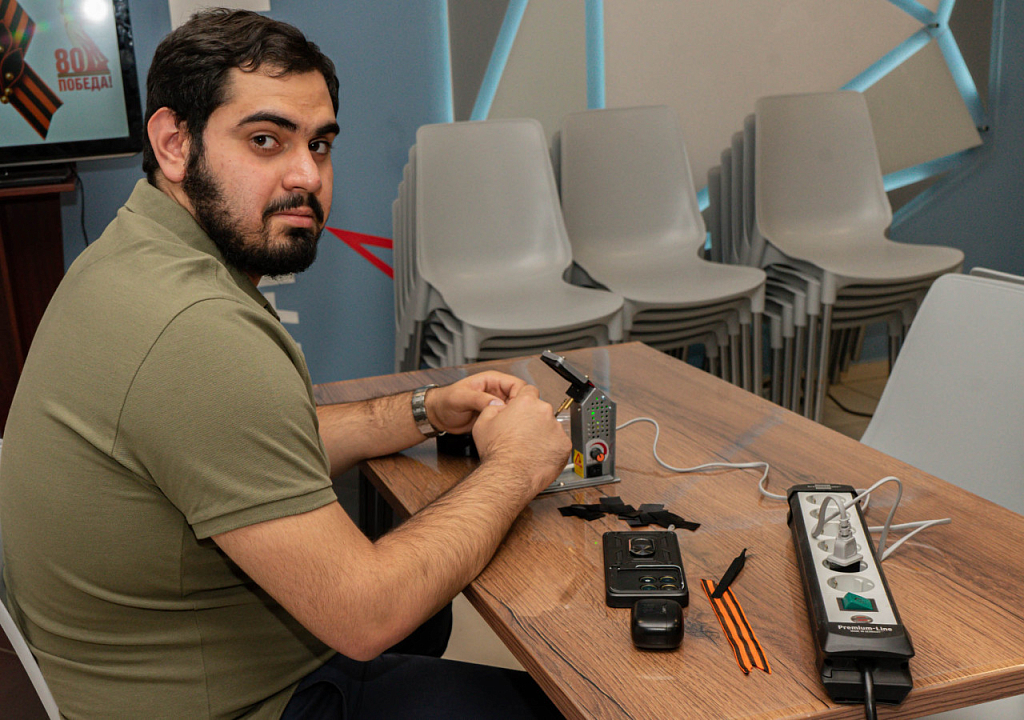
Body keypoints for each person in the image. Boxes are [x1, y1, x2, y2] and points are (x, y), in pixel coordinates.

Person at [0, 9, 570, 720]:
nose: (308, 176)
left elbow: (250, 449)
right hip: (231, 702)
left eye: (319, 144)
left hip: (139, 666)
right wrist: (518, 464)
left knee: (429, 613)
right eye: (265, 140)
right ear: (174, 143)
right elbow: (365, 614)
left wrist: (424, 409)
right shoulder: (195, 331)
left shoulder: (135, 252)